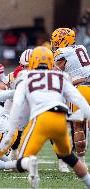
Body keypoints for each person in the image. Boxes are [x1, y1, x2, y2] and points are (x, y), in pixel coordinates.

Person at [0, 46, 90, 189]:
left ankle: (29, 163)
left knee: (21, 163)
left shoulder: (25, 77)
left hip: (41, 120)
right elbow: (80, 101)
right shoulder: (61, 77)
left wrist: (10, 134)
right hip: (60, 121)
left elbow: (16, 106)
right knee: (70, 158)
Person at [51, 28, 90, 168]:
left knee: (78, 126)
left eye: (56, 41)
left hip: (81, 89)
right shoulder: (81, 47)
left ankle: (82, 163)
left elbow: (53, 73)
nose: (54, 44)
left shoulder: (61, 53)